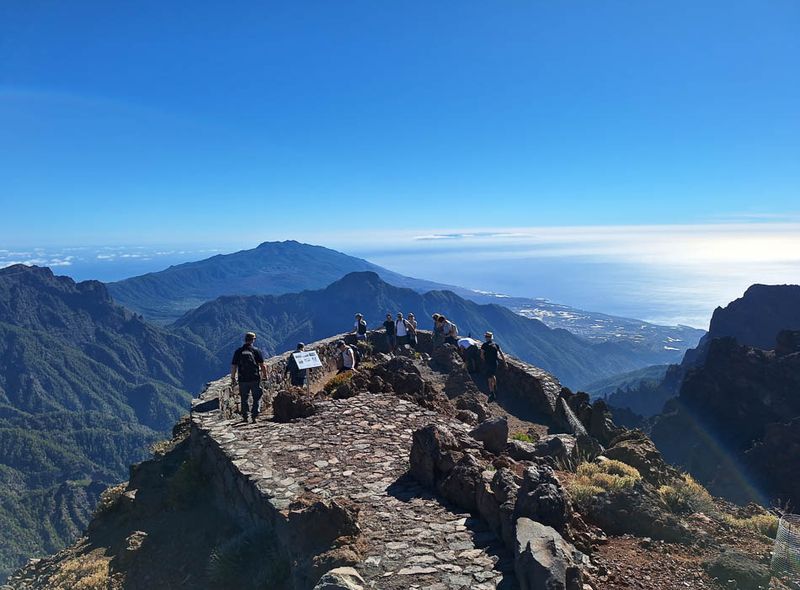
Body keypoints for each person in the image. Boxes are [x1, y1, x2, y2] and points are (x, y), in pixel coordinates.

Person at [231, 331, 267, 423]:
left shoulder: (238, 351)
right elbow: (262, 365)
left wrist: (233, 377)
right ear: (253, 340)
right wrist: (265, 375)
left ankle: (245, 416)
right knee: (257, 397)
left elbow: (234, 366)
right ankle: (254, 415)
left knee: (244, 398)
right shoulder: (256, 351)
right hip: (255, 378)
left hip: (242, 379)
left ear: (245, 339)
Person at [481, 331, 506, 402]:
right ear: (491, 337)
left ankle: (492, 393)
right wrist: (504, 363)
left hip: (488, 363)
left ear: (486, 337)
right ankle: (495, 386)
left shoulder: (484, 345)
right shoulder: (496, 345)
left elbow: (482, 355)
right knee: (493, 375)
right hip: (495, 363)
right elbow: (501, 354)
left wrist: (484, 360)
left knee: (489, 379)